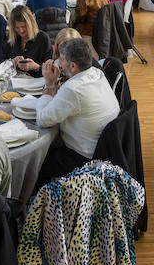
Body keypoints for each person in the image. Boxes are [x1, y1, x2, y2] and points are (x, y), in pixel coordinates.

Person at [35, 37, 121, 182]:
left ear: (73, 66)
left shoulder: (73, 89)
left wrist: (49, 85)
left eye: (62, 60)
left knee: (37, 160)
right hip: (105, 149)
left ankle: (40, 201)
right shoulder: (96, 72)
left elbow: (42, 120)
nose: (58, 63)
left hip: (83, 158)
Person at [6, 4, 51, 74]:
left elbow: (50, 69)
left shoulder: (42, 38)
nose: (21, 31)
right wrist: (12, 62)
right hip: (15, 80)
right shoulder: (12, 37)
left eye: (23, 26)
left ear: (31, 24)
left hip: (36, 82)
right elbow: (1, 61)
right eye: (17, 27)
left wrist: (35, 67)